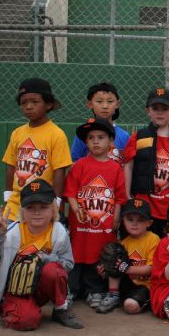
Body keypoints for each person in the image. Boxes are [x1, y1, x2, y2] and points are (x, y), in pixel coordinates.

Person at [0, 179, 83, 330]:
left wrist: (45, 258)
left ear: (53, 210)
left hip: (41, 289)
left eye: (43, 207)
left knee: (53, 270)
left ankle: (61, 310)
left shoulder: (59, 233)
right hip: (16, 290)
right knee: (27, 321)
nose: (37, 212)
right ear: (22, 211)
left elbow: (68, 264)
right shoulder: (10, 233)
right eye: (30, 207)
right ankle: (6, 306)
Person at [63, 118, 127, 307]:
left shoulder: (115, 168)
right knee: (77, 254)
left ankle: (95, 290)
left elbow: (119, 197)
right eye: (91, 138)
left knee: (100, 254)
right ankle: (71, 290)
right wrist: (76, 209)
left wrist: (116, 217)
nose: (96, 141)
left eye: (101, 137)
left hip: (104, 225)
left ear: (111, 141)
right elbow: (70, 193)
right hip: (81, 224)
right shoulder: (80, 165)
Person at [123, 87, 169, 236]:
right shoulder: (139, 137)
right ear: (148, 111)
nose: (160, 112)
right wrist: (126, 195)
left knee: (167, 246)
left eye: (165, 108)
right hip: (143, 208)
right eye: (155, 108)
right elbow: (128, 166)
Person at [2, 78, 71, 222]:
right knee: (1, 235)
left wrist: (56, 202)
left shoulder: (56, 134)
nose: (28, 106)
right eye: (23, 103)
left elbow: (59, 171)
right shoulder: (17, 133)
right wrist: (7, 197)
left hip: (42, 206)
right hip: (15, 206)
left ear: (48, 104)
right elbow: (10, 166)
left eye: (35, 102)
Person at [96, 198, 159, 314]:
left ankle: (145, 301)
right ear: (123, 220)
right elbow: (118, 268)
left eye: (140, 220)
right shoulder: (124, 243)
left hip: (146, 286)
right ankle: (113, 295)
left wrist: (126, 268)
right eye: (130, 219)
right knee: (113, 257)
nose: (134, 223)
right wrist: (106, 271)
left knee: (130, 306)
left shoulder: (154, 240)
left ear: (149, 223)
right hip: (128, 283)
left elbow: (152, 269)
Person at [70, 82, 129, 165]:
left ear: (117, 104)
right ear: (89, 104)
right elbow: (74, 161)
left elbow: (128, 165)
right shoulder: (84, 133)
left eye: (110, 101)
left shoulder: (124, 136)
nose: (105, 106)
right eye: (99, 101)